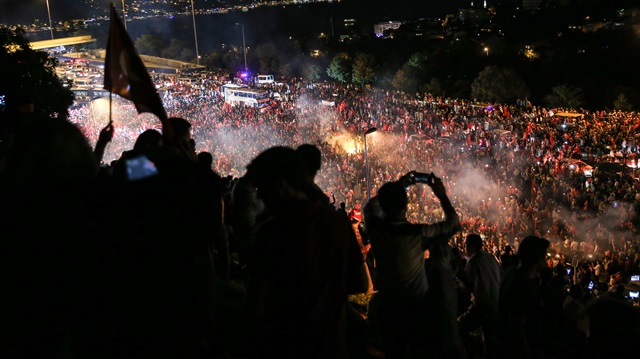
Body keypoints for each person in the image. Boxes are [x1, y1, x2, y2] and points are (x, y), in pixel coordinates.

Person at [243, 146, 370, 359]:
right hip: (331, 343)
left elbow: (256, 307)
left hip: (287, 345)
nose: (260, 195)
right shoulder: (337, 222)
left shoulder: (271, 232)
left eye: (261, 187)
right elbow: (360, 283)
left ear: (280, 184)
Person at [363, 171, 461, 358]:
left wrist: (400, 186)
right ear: (405, 205)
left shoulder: (375, 228)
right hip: (416, 308)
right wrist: (441, 193)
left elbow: (369, 206)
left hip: (388, 305)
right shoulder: (416, 233)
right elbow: (454, 224)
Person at [496, 235, 550, 359]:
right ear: (537, 259)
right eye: (544, 257)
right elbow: (517, 329)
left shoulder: (510, 272)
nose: (546, 260)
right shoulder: (525, 288)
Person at [458, 233, 502, 359]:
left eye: (465, 244)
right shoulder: (491, 258)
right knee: (489, 338)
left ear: (469, 246)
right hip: (495, 304)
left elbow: (467, 286)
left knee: (459, 327)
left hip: (482, 306)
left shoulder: (473, 261)